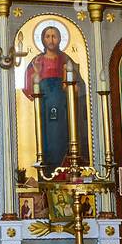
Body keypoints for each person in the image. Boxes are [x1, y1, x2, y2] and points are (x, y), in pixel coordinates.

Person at [23, 24, 89, 169]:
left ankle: (65, 169)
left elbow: (79, 87)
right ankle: (47, 169)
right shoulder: (36, 61)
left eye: (54, 36)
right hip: (44, 110)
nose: (51, 40)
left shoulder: (66, 59)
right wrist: (38, 73)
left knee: (64, 138)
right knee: (47, 139)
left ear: (60, 39)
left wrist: (72, 87)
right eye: (48, 36)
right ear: (42, 39)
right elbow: (29, 89)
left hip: (64, 109)